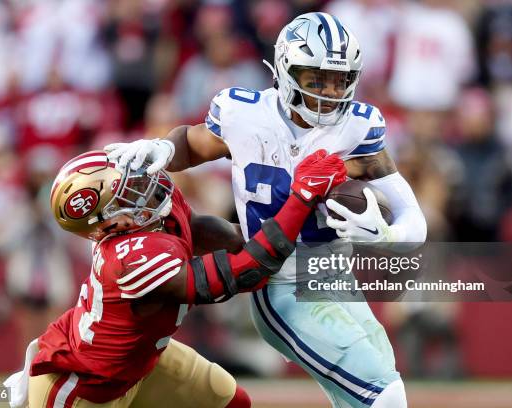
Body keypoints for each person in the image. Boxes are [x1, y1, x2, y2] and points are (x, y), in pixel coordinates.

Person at [106, 12, 427, 408]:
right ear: (285, 71)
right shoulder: (245, 113)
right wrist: (166, 148)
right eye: (316, 79)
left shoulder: (357, 128)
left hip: (335, 279)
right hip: (282, 284)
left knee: (372, 395)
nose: (330, 91)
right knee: (384, 394)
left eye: (338, 79)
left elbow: (413, 215)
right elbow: (193, 143)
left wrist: (388, 236)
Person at [4, 149, 346, 408]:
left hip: (144, 362)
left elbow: (211, 232)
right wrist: (301, 198)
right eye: (128, 191)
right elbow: (245, 273)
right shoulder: (130, 258)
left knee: (228, 400)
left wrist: (298, 238)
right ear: (108, 222)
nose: (144, 185)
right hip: (85, 387)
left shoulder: (154, 210)